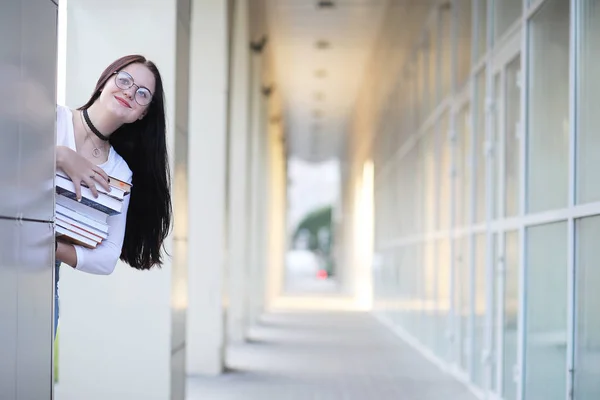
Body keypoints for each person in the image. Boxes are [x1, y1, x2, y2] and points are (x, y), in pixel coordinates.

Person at [54, 55, 172, 337]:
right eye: (124, 80)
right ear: (107, 79)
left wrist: (47, 246)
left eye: (142, 94)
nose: (130, 92)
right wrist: (59, 156)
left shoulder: (119, 171)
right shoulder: (53, 118)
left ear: (142, 113)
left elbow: (107, 257)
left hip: (42, 280)